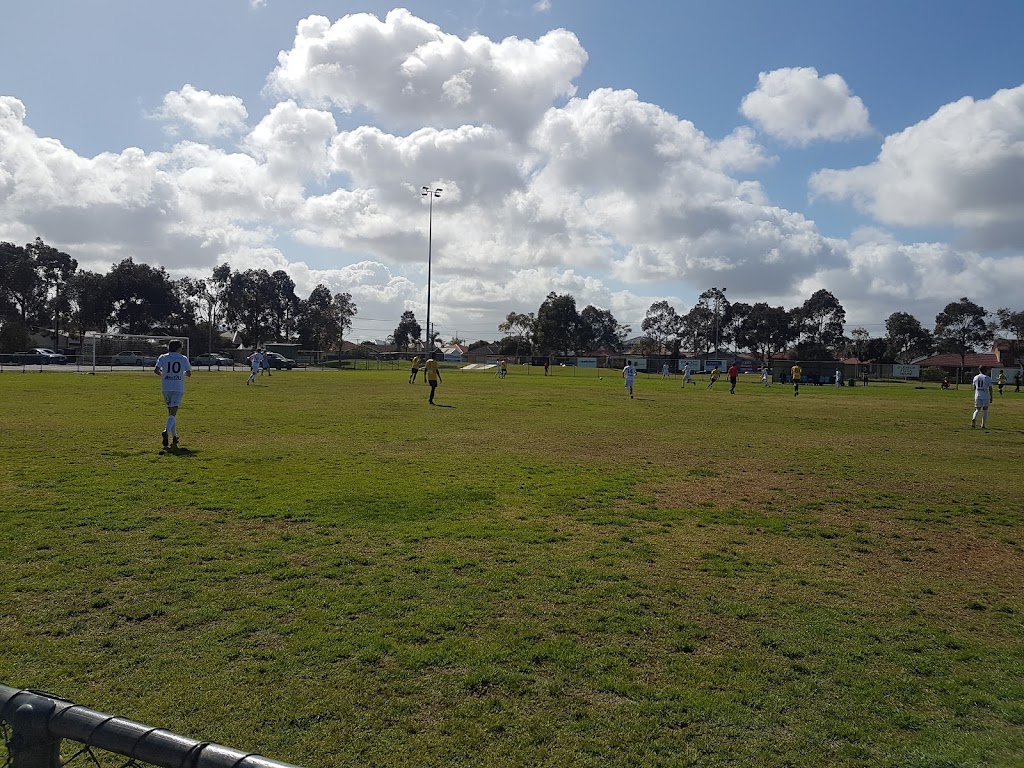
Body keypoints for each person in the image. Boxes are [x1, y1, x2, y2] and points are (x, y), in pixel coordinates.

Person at [154, 340, 192, 448]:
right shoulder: (183, 358)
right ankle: (166, 431)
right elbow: (189, 373)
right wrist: (181, 374)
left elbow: (156, 370)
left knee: (171, 413)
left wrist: (164, 375)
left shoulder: (163, 357)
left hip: (166, 387)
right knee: (173, 413)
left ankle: (175, 436)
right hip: (177, 388)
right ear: (179, 348)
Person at [971, 365, 993, 429]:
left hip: (977, 394)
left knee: (977, 409)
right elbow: (990, 388)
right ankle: (983, 424)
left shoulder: (976, 377)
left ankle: (974, 418)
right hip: (985, 395)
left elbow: (974, 387)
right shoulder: (988, 378)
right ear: (986, 370)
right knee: (985, 410)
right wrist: (991, 397)